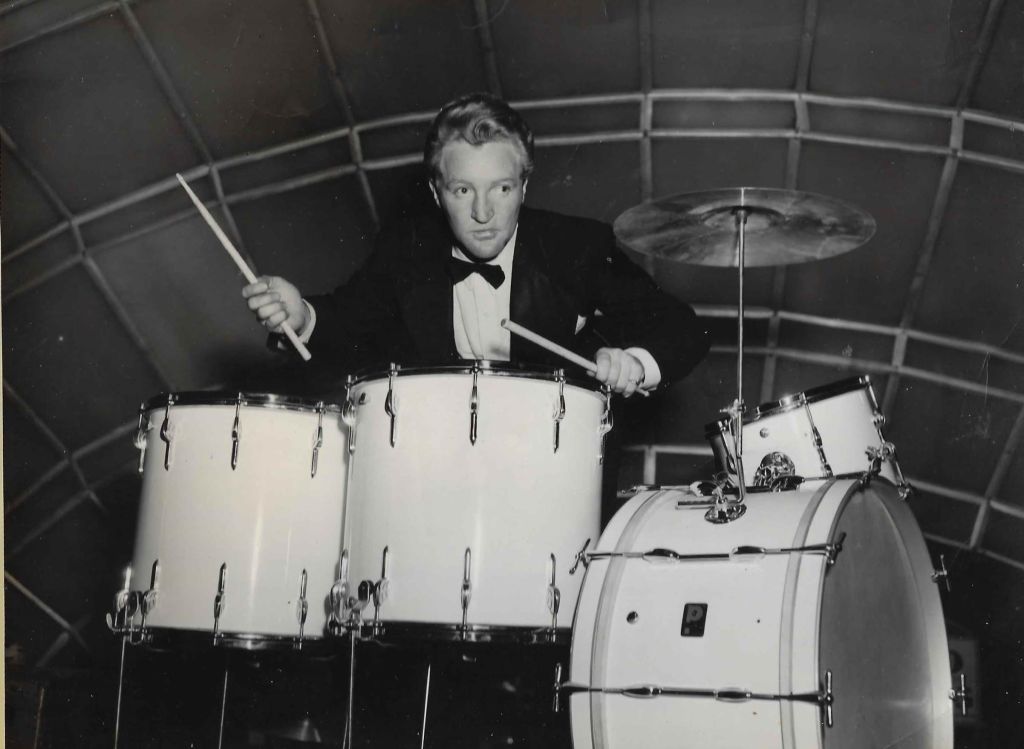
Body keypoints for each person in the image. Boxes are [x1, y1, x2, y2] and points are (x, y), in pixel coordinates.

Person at [242, 92, 709, 394]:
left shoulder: (576, 246)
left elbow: (682, 329)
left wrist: (634, 362)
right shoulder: (407, 251)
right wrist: (301, 314)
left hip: (554, 472)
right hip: (439, 466)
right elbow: (346, 318)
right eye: (463, 190)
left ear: (524, 188)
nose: (483, 213)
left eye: (501, 189)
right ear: (435, 191)